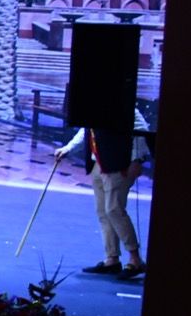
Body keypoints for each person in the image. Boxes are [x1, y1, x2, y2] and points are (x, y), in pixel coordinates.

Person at [54, 107, 150, 279]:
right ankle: (112, 259)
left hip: (119, 163)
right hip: (99, 163)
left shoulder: (125, 107)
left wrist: (137, 160)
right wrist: (68, 148)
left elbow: (140, 132)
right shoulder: (94, 105)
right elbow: (87, 130)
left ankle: (135, 260)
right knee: (103, 212)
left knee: (114, 210)